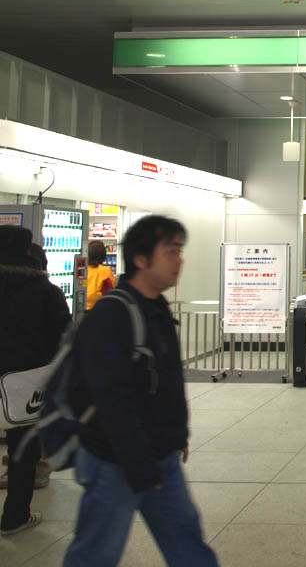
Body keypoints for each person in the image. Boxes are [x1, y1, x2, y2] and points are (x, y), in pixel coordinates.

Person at [62, 215, 218, 566]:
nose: (180, 259)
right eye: (170, 251)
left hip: (160, 457)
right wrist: (139, 465)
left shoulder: (157, 309)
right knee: (96, 554)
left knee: (188, 542)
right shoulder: (112, 315)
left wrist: (176, 435)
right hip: (114, 462)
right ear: (140, 259)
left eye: (180, 250)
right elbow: (111, 400)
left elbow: (163, 383)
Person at [0, 226, 70, 536]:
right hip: (26, 383)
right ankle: (14, 516)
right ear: (28, 252)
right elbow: (64, 334)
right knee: (23, 448)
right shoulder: (45, 290)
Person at [85, 240, 115, 311]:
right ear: (103, 254)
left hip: (81, 308)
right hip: (98, 309)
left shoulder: (83, 269)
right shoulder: (106, 271)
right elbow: (110, 292)